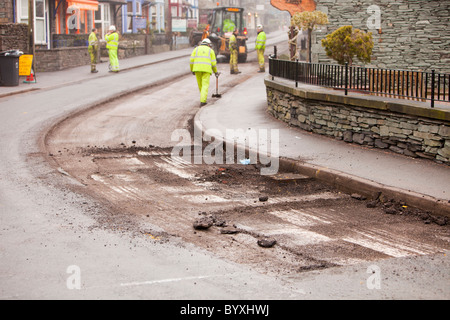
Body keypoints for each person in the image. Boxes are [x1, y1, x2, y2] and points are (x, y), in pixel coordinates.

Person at [190, 38, 219, 107]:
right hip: (206, 70)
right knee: (205, 85)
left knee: (200, 85)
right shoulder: (210, 51)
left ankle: (202, 98)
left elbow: (191, 61)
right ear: (208, 44)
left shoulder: (196, 49)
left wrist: (192, 70)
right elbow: (213, 63)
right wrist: (215, 72)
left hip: (197, 69)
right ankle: (203, 101)